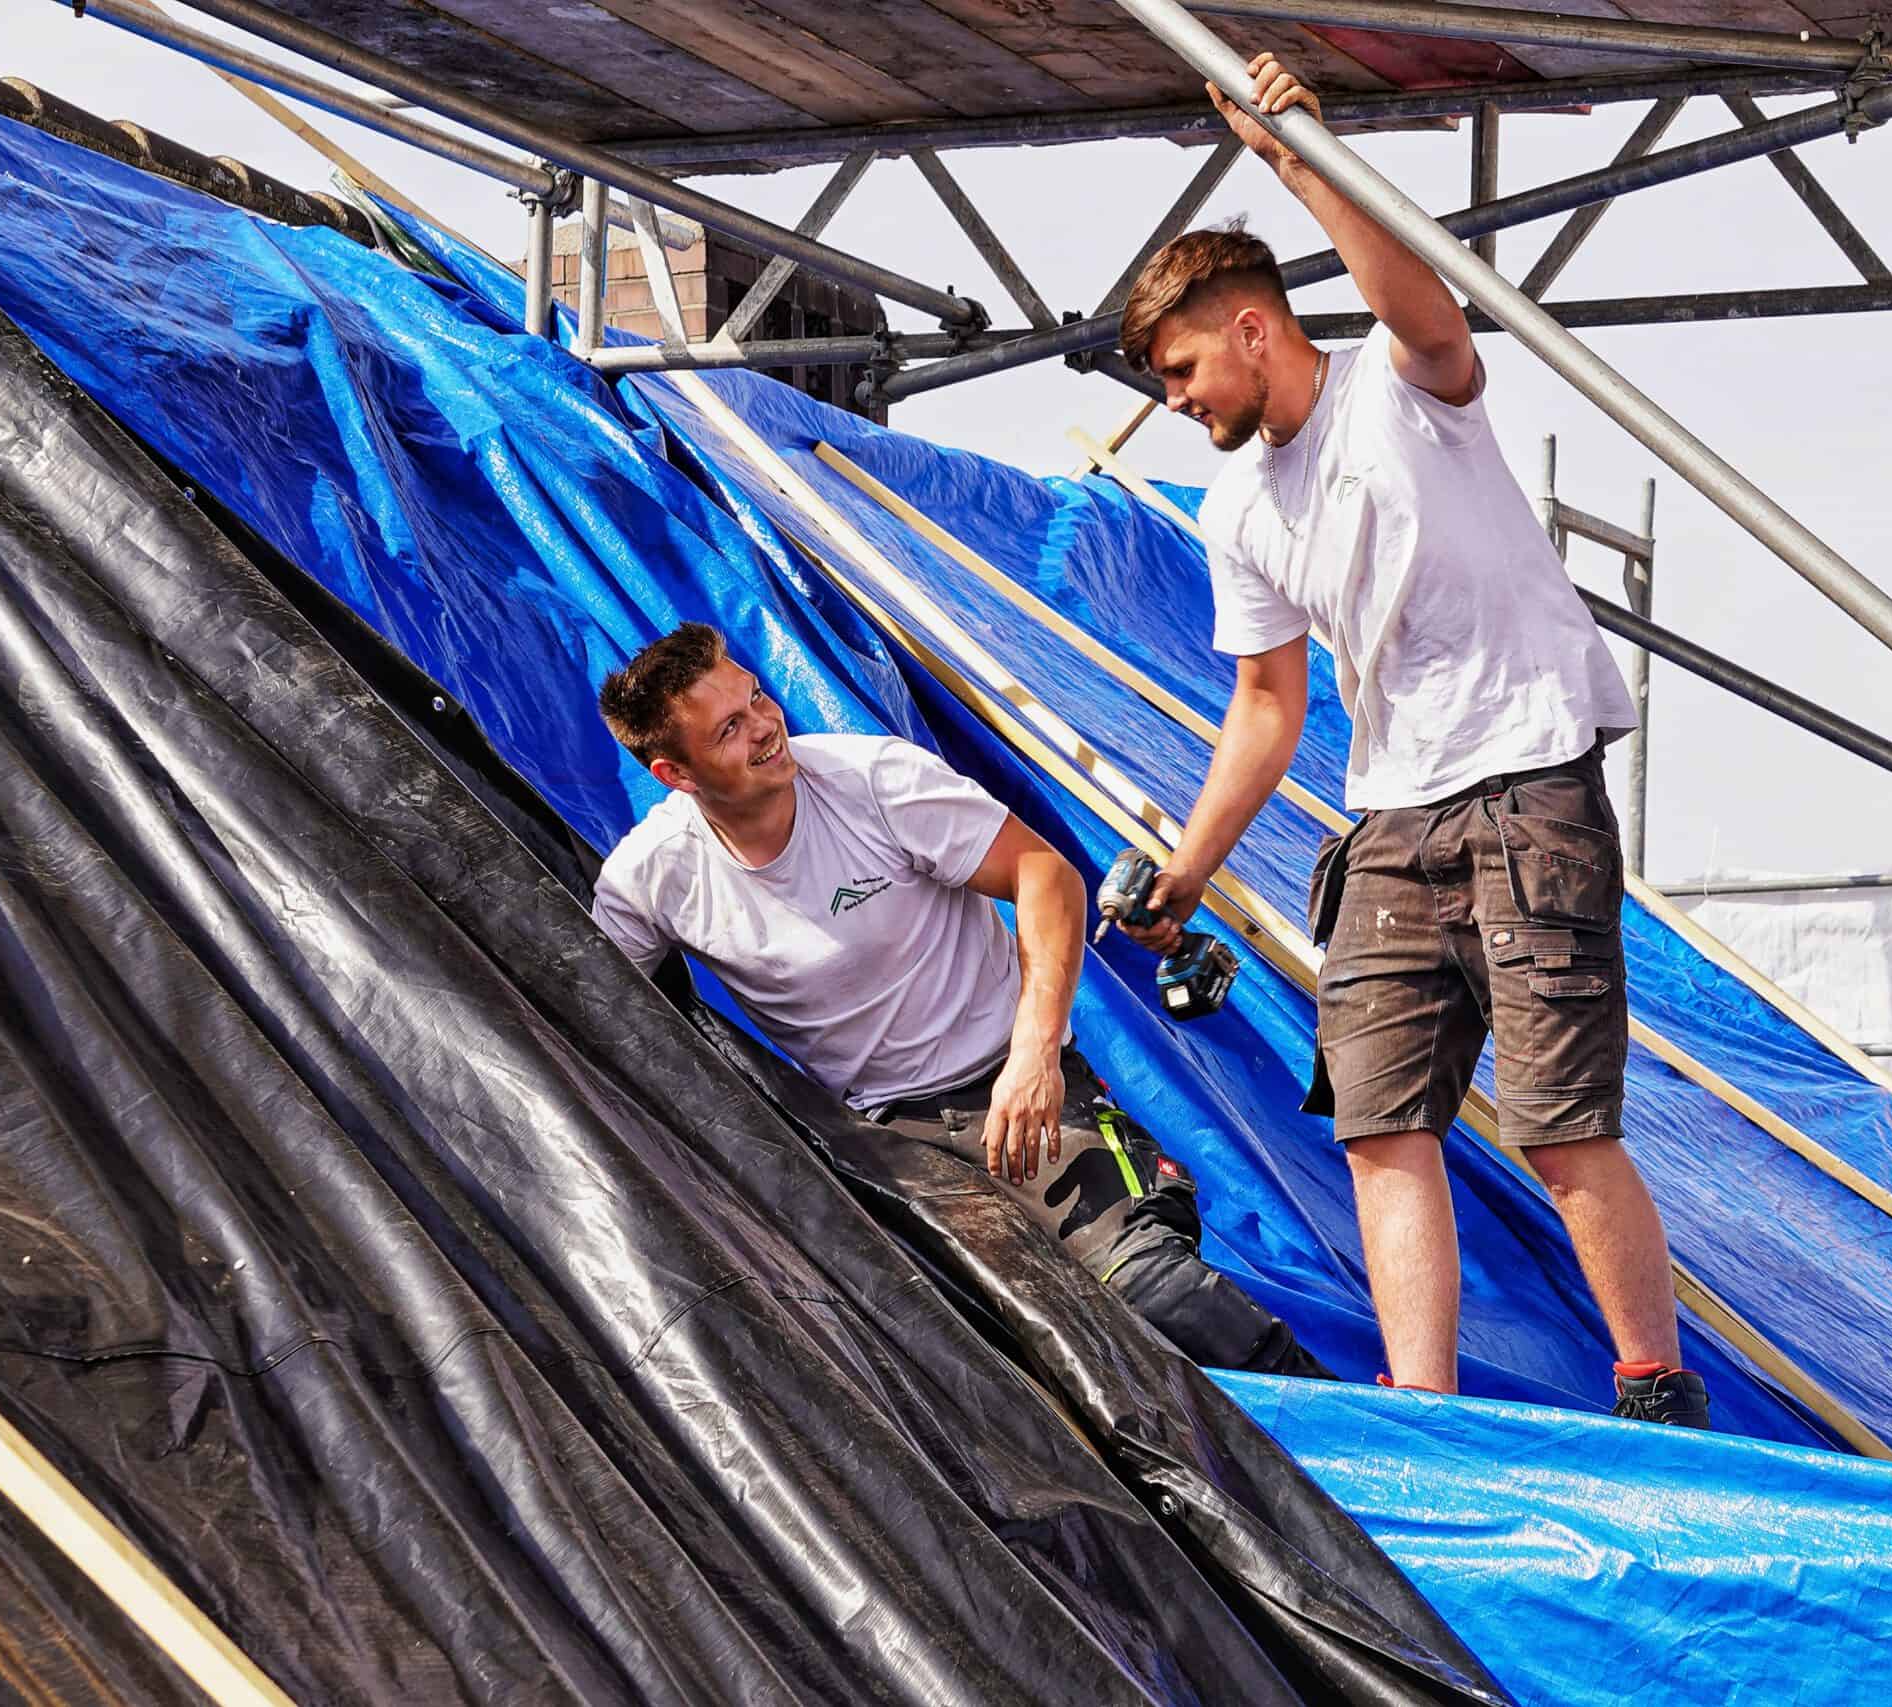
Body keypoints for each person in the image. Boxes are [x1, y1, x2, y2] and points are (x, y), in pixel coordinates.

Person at [1116, 52, 1706, 1426]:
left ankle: (1653, 1385)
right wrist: (1190, 868)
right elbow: (1266, 706)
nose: (1182, 401)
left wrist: (1294, 150)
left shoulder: (1401, 389)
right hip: (1391, 817)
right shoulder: (1238, 513)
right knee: (1383, 1121)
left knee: (1563, 1125)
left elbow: (1415, 295)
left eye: (1188, 367)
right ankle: (1427, 1410)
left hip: (1525, 788)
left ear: (1257, 328)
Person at [588, 623, 1327, 1380]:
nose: (767, 726)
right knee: (961, 1356)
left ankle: (1359, 1433)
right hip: (885, 1144)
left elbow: (1046, 875)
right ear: (675, 773)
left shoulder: (871, 780)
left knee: (1155, 1292)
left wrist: (1036, 1052)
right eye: (731, 728)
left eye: (756, 697)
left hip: (1018, 1091)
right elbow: (578, 997)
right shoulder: (654, 875)